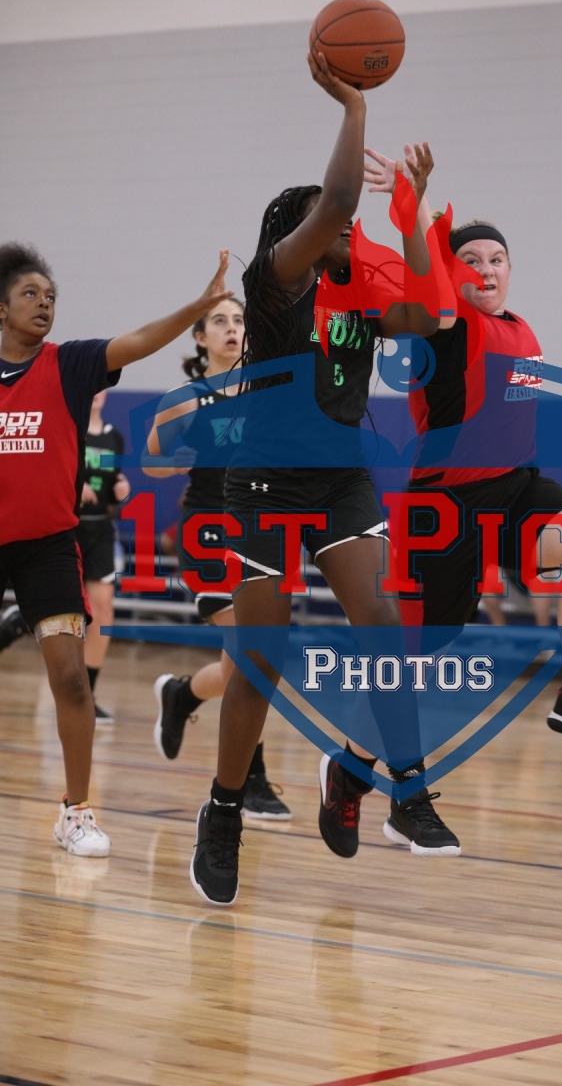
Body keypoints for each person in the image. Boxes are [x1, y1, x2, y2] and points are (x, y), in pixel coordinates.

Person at [190, 53, 456, 908]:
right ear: (294, 236)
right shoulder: (271, 288)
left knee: (383, 623)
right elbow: (337, 199)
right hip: (265, 483)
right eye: (327, 225)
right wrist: (353, 106)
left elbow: (429, 315)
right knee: (261, 663)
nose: (345, 231)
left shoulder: (358, 302)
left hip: (340, 478)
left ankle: (402, 792)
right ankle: (224, 809)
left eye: (346, 226)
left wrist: (410, 218)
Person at [365, 145, 562, 745]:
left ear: (512, 268)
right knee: (412, 662)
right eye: (470, 260)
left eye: (497, 259)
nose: (486, 269)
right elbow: (429, 265)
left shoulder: (522, 329)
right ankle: (350, 766)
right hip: (446, 509)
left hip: (515, 491)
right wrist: (414, 199)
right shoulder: (445, 325)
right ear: (452, 272)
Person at [0, 240, 232, 857]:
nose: (44, 304)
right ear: (1, 308)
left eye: (51, 296)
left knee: (72, 681)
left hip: (49, 547)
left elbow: (139, 340)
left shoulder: (70, 364)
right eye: (30, 294)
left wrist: (198, 307)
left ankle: (75, 812)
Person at [145, 297, 291, 820]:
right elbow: (150, 459)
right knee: (254, 654)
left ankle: (183, 695)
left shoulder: (267, 394)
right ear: (200, 337)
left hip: (259, 530)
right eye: (220, 321)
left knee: (239, 665)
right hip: (207, 531)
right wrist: (171, 463)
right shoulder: (185, 399)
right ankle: (250, 778)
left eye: (240, 320)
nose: (232, 328)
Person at [77, 390, 130, 723]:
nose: (95, 392)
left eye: (101, 386)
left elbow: (111, 500)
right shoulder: (68, 426)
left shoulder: (114, 437)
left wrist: (121, 496)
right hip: (65, 528)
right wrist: (72, 485)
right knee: (59, 610)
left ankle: (88, 694)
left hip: (99, 530)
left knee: (103, 610)